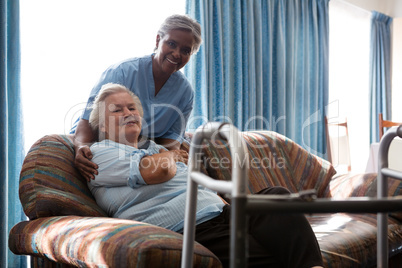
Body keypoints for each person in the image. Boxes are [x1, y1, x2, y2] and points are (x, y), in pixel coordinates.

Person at [87, 83, 324, 268]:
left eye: (132, 108)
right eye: (117, 110)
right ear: (103, 126)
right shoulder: (99, 153)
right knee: (273, 257)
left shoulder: (152, 148)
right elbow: (159, 170)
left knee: (277, 198)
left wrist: (168, 156)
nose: (128, 113)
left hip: (221, 212)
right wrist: (171, 156)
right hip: (187, 226)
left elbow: (181, 175)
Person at [72, 14, 202, 181]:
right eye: (171, 44)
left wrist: (157, 162)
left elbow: (170, 143)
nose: (177, 54)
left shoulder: (185, 93)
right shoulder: (121, 72)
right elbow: (87, 119)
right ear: (158, 40)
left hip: (144, 155)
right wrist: (81, 146)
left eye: (185, 51)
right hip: (108, 149)